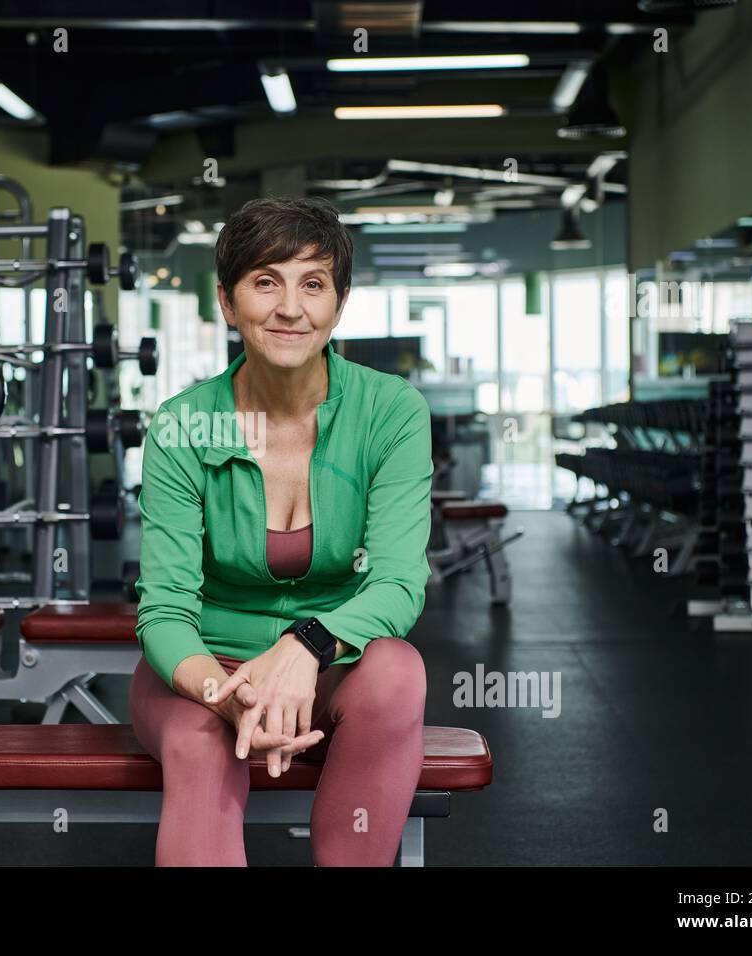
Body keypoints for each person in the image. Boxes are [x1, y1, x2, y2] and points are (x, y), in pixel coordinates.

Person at [130, 196, 434, 866]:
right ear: (228, 303)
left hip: (332, 667)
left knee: (396, 674)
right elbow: (165, 611)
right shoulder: (184, 424)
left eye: (313, 285)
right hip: (205, 673)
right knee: (201, 743)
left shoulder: (392, 413)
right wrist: (232, 699)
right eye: (266, 281)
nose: (290, 308)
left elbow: (397, 582)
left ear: (339, 303)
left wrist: (309, 644)